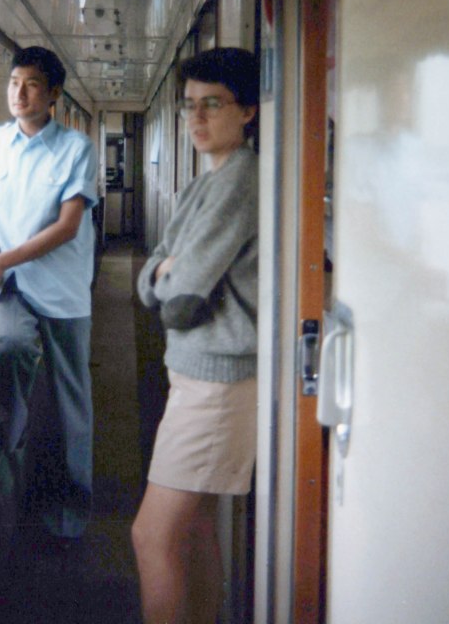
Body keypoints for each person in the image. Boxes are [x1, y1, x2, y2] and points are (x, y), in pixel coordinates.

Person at [131, 46, 259, 624]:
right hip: (196, 373)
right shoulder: (201, 186)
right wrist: (162, 273)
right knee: (197, 524)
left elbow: (179, 302)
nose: (197, 118)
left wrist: (165, 274)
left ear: (248, 111)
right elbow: (151, 278)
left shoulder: (240, 181)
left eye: (213, 104)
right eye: (189, 106)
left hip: (218, 384)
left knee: (151, 535)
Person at [0, 45, 98, 541]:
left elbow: (67, 227)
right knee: (9, 346)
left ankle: (70, 511)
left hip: (63, 288)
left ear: (54, 94)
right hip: (15, 285)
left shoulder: (76, 149)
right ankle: (12, 440)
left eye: (32, 85)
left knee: (70, 401)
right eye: (13, 82)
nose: (19, 94)